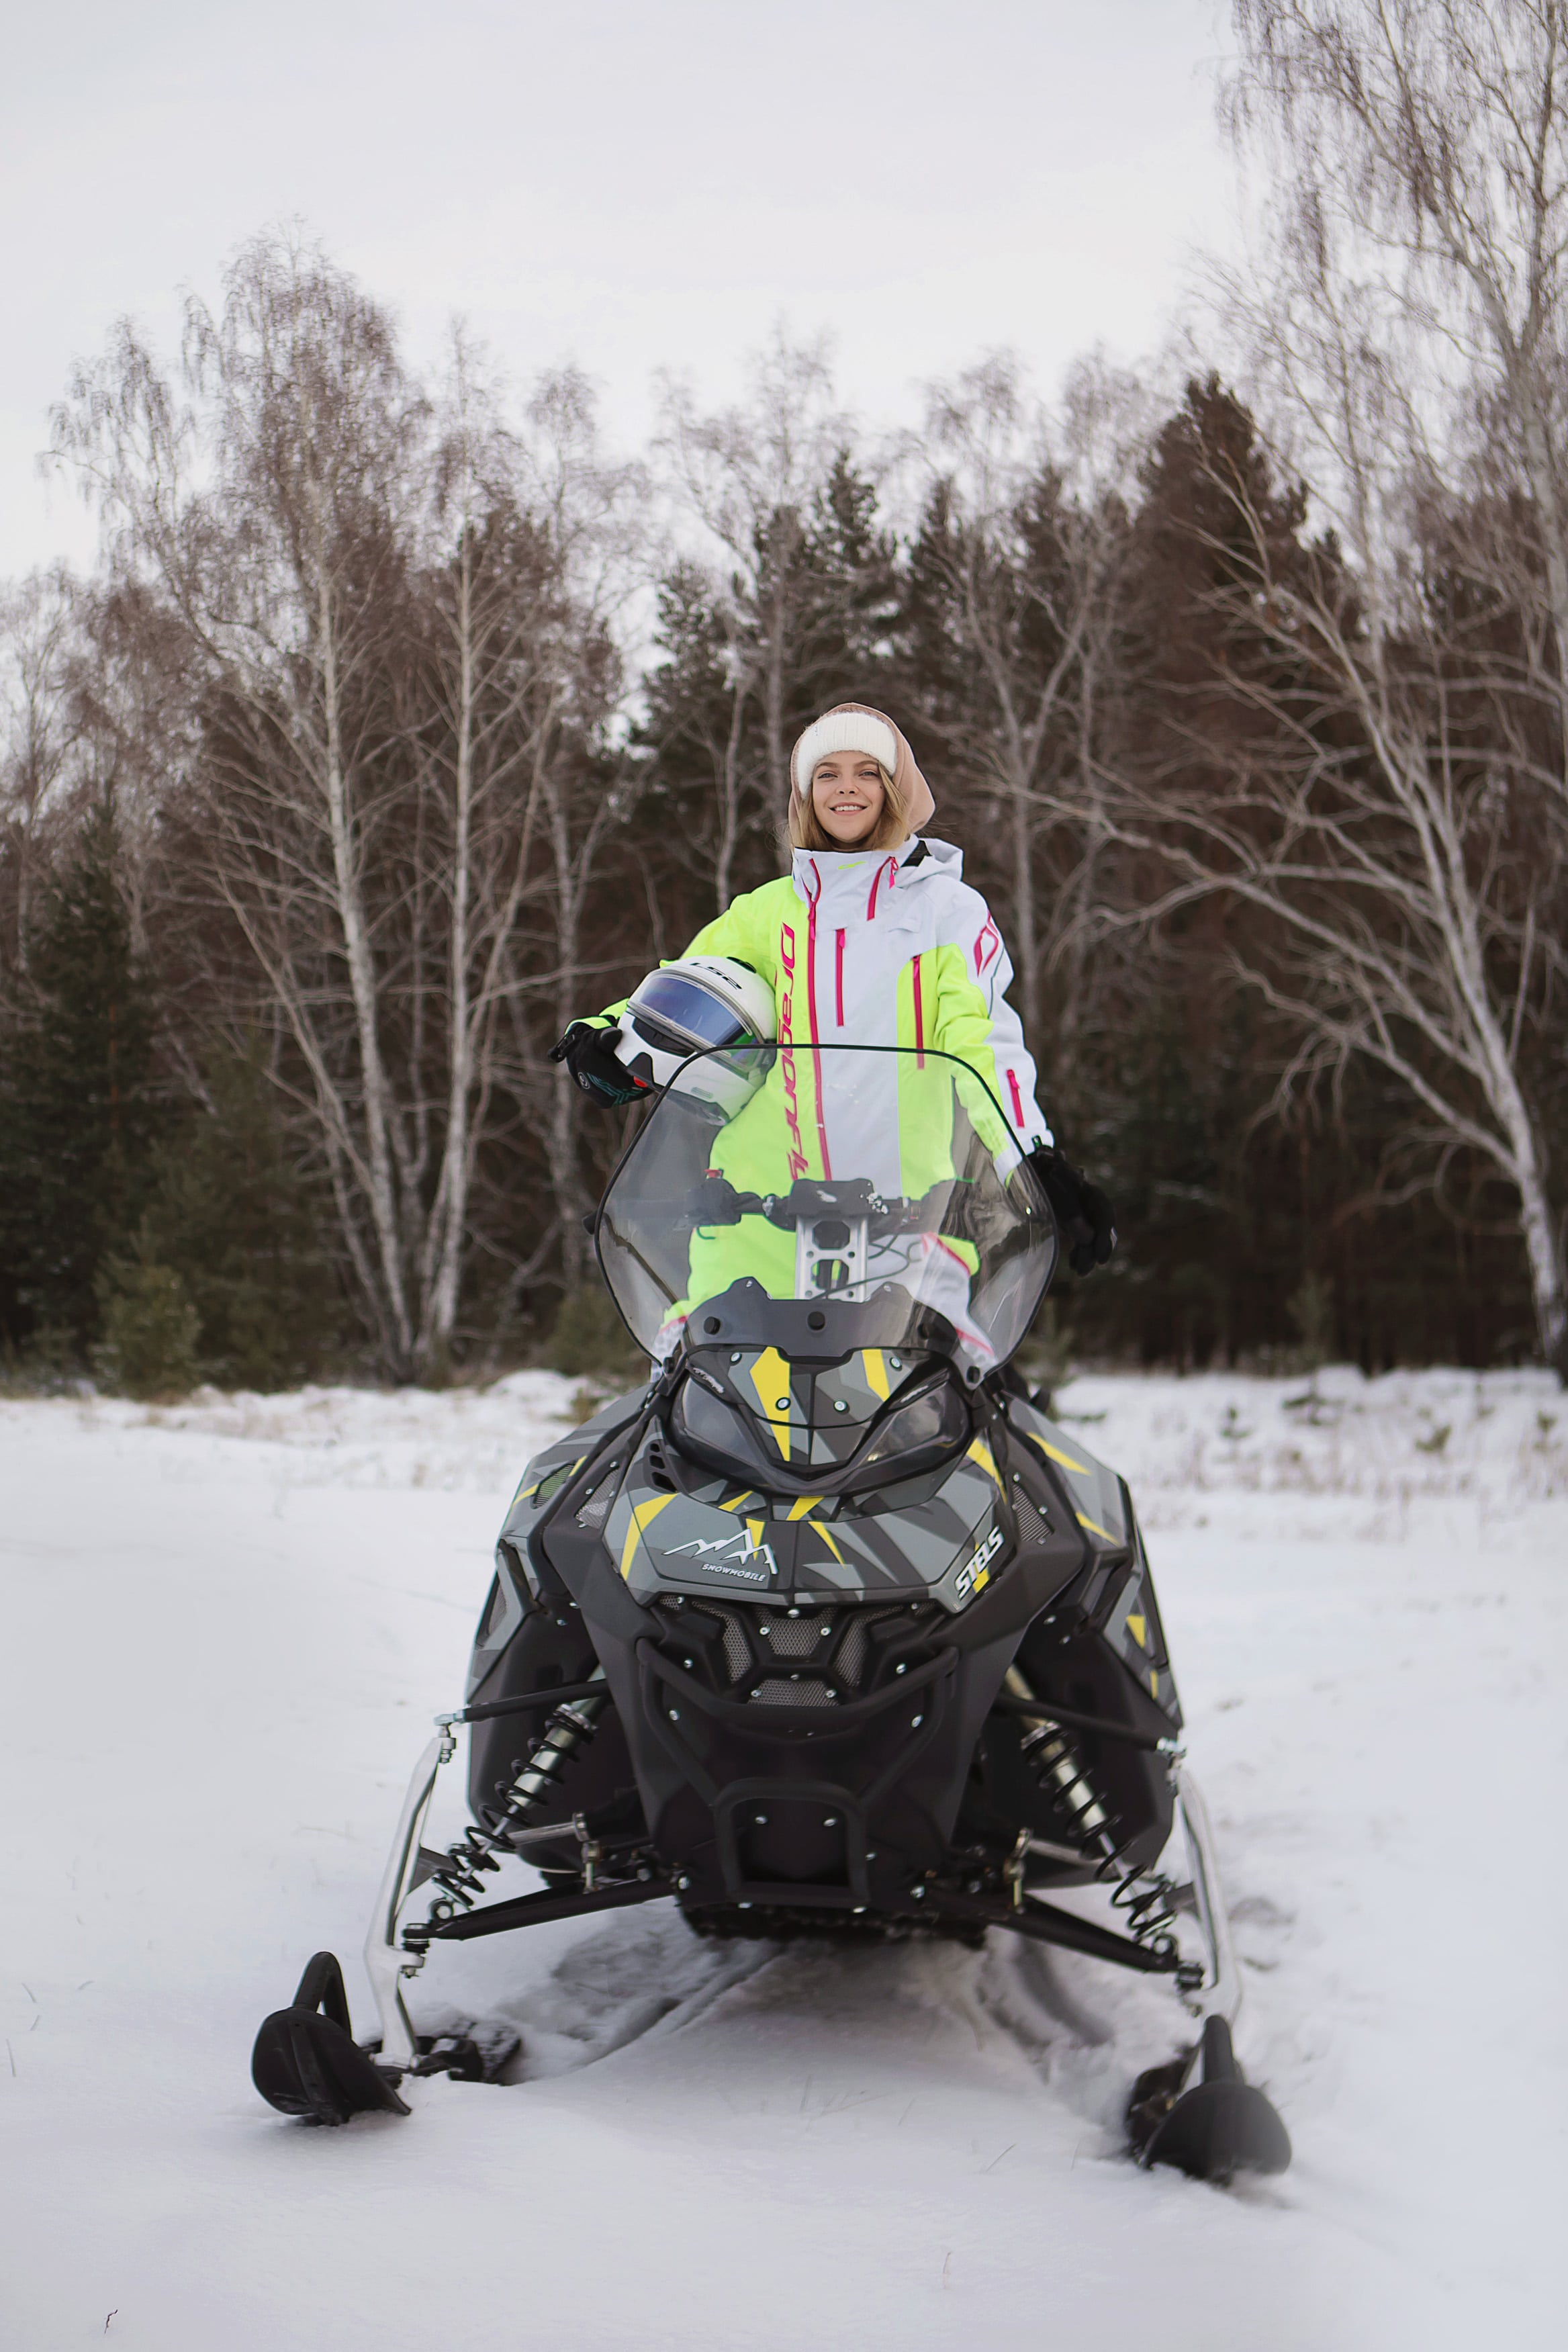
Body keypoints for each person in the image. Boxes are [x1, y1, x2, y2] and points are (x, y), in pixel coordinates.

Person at [551, 702, 1115, 1331]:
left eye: (867, 771)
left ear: (896, 790)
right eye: (827, 773)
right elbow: (677, 991)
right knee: (705, 1414)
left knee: (924, 1416)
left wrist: (1032, 1161)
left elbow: (984, 1048)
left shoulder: (946, 913)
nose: (846, 787)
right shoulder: (765, 913)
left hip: (908, 1228)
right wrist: (608, 1038)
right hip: (753, 1223)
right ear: (804, 795)